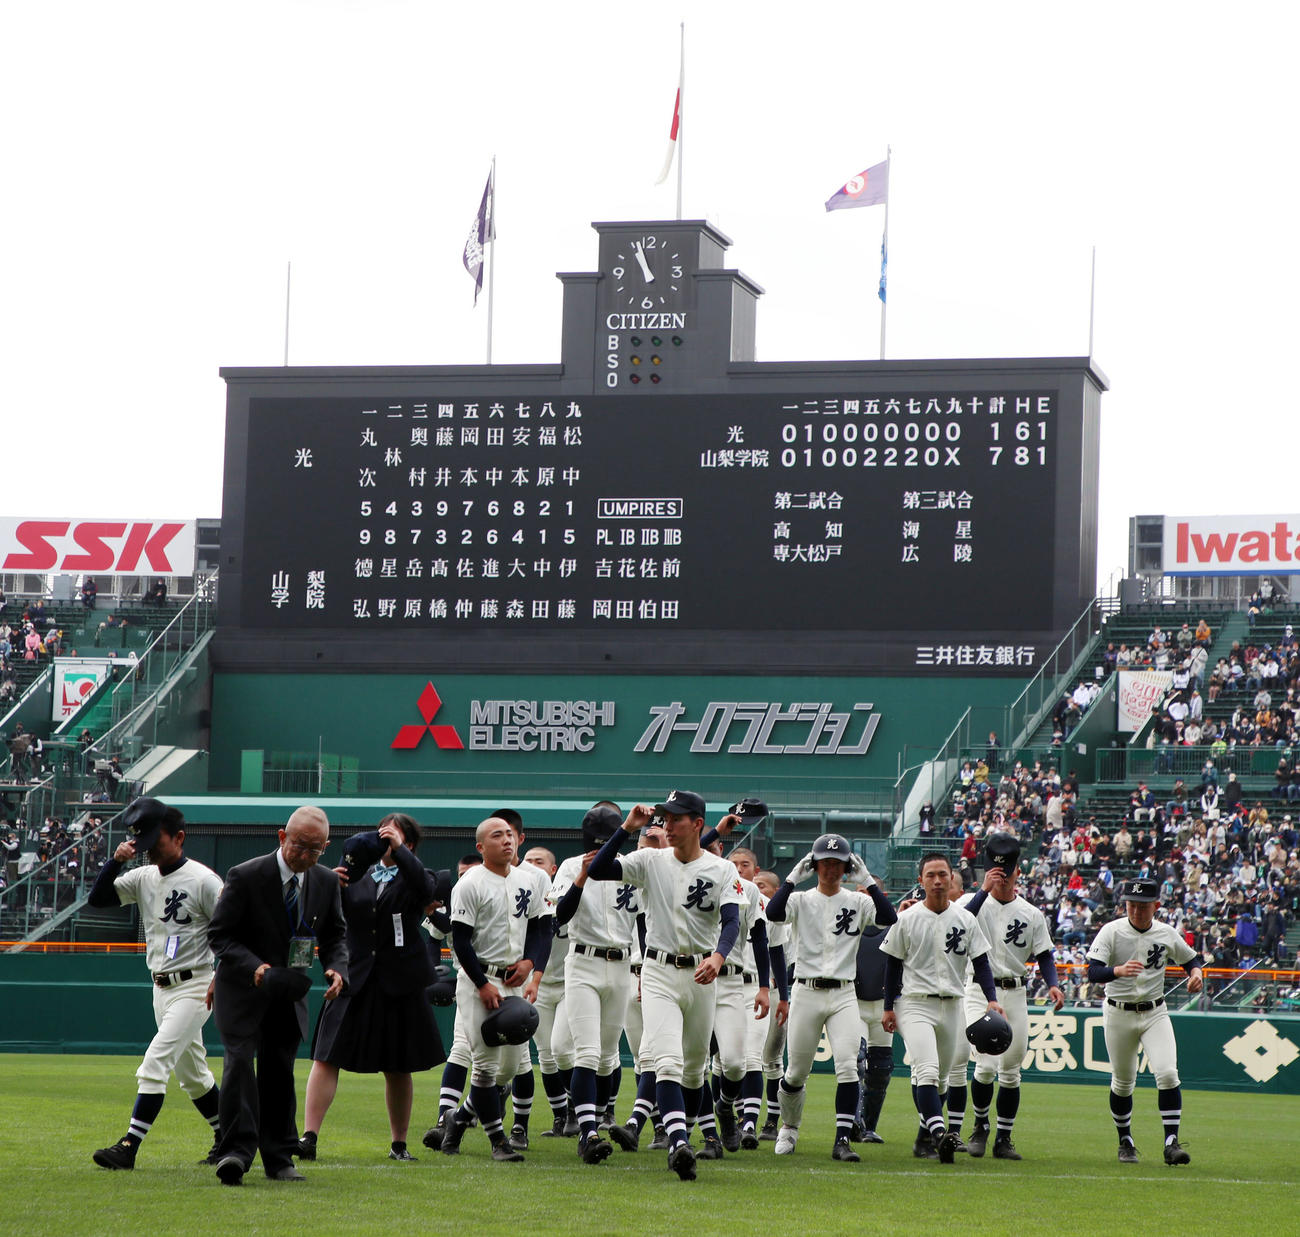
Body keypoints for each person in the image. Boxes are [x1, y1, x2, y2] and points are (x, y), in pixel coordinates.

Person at [587, 791, 743, 1181]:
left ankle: (682, 1131)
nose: (667, 825)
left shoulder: (722, 868)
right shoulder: (650, 860)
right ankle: (678, 1144)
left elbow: (731, 922)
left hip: (701, 973)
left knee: (694, 1070)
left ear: (698, 824)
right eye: (665, 817)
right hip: (657, 970)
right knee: (667, 1061)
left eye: (676, 818)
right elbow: (599, 869)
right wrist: (626, 828)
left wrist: (719, 956)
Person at [207, 805, 348, 1185]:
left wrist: (337, 968)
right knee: (239, 1065)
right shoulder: (246, 875)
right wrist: (255, 967)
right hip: (242, 989)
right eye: (299, 845)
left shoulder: (325, 882)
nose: (305, 855)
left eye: (315, 849)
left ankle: (279, 1158)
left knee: (279, 1071)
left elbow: (335, 935)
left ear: (326, 847)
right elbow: (219, 935)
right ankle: (235, 1153)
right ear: (282, 837)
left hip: (288, 992)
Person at [298, 814, 445, 1163]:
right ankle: (309, 1137)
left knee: (398, 1065)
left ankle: (399, 1144)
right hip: (354, 976)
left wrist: (400, 849)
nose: (384, 841)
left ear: (409, 844)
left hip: (399, 981)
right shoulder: (354, 874)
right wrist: (328, 884)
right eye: (381, 835)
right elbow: (321, 918)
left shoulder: (419, 875)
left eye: (392, 837)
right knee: (326, 1057)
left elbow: (426, 891)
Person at [87, 797, 224, 1170]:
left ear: (179, 837)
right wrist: (115, 861)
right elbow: (98, 899)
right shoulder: (144, 876)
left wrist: (223, 975)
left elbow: (230, 930)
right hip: (161, 987)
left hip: (196, 984)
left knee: (155, 1061)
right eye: (143, 843)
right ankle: (228, 1135)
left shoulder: (203, 880)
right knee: (193, 1077)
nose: (149, 851)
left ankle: (128, 1146)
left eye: (155, 842)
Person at [765, 833, 896, 1161]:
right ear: (814, 864)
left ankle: (842, 1139)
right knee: (796, 1072)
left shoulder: (858, 901)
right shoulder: (801, 899)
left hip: (843, 993)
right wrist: (792, 878)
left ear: (847, 867)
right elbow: (773, 912)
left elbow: (888, 918)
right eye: (824, 862)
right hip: (806, 990)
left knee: (848, 1067)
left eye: (838, 863)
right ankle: (789, 1127)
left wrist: (867, 881)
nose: (831, 868)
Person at [438, 816, 552, 1162]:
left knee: (510, 1068)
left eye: (509, 835)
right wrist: (482, 984)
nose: (506, 840)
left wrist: (530, 963)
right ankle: (498, 1141)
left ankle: (459, 1118)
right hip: (479, 982)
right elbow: (460, 941)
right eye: (497, 835)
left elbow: (541, 929)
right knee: (486, 1067)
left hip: (514, 979)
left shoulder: (527, 880)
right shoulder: (470, 884)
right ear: (481, 846)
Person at [880, 852, 1003, 1164]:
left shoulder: (965, 919)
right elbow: (892, 966)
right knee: (927, 1070)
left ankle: (924, 1137)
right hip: (914, 1003)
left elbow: (981, 962)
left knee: (943, 1078)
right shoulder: (907, 919)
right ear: (920, 881)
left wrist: (991, 998)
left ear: (951, 879)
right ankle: (939, 1134)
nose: (937, 881)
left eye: (942, 874)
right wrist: (888, 1006)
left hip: (952, 1004)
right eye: (930, 875)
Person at [953, 833, 1064, 1160]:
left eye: (1006, 872)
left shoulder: (1031, 913)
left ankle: (1004, 1137)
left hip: (1015, 992)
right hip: (978, 990)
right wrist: (983, 890)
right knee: (986, 1065)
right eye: (995, 871)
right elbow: (959, 926)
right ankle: (980, 1126)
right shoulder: (971, 902)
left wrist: (1053, 983)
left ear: (1017, 872)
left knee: (1012, 1070)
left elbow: (1044, 954)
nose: (1001, 877)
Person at [1085, 878, 1203, 1165]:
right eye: (1132, 905)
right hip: (1118, 1012)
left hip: (1154, 1012)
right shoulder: (1111, 931)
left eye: (1143, 906)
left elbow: (1190, 959)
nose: (1137, 911)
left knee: (1168, 1073)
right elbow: (1093, 972)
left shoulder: (1165, 932)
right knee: (1123, 1081)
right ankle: (1125, 1140)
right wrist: (1118, 970)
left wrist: (1196, 973)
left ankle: (1171, 1143)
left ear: (1156, 906)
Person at [551, 803, 641, 1163]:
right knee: (585, 1053)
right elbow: (559, 916)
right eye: (596, 842)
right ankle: (587, 1133)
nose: (600, 848)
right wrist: (582, 877)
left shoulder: (631, 867)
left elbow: (645, 922)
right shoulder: (571, 866)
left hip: (622, 965)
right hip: (584, 962)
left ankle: (598, 1117)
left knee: (606, 1058)